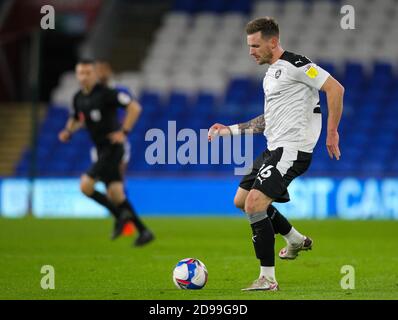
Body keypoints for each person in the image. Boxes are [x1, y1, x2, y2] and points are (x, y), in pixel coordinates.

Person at [208, 17, 344, 291]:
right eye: (249, 46)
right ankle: (294, 239)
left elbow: (335, 88)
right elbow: (268, 120)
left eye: (256, 45)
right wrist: (230, 130)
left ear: (273, 42)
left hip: (292, 150)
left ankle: (267, 279)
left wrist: (332, 132)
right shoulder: (271, 75)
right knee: (242, 200)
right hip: (274, 148)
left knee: (255, 205)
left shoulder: (298, 64)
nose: (251, 51)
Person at [58, 59, 154, 247]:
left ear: (94, 74)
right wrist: (68, 131)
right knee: (117, 194)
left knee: (85, 186)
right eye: (80, 73)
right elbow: (76, 118)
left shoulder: (107, 94)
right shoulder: (78, 97)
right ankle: (143, 232)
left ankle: (119, 215)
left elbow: (135, 107)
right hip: (101, 149)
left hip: (112, 148)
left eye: (88, 73)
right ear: (77, 75)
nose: (84, 76)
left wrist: (124, 131)